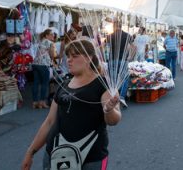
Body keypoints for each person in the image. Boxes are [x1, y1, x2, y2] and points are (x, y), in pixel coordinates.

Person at [21, 39, 121, 170]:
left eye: (75, 56)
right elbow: (49, 122)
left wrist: (108, 110)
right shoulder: (64, 85)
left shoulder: (103, 84)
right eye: (68, 56)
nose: (69, 60)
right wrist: (31, 152)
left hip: (89, 158)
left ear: (89, 58)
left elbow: (113, 120)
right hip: (56, 156)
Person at [106, 19, 134, 108]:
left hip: (112, 60)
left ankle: (114, 97)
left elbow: (103, 46)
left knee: (113, 80)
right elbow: (134, 47)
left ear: (114, 26)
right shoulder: (127, 35)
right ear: (121, 26)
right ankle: (121, 97)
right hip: (123, 60)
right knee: (124, 78)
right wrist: (130, 57)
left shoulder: (110, 36)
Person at [32, 29, 56, 109]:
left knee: (36, 82)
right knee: (44, 83)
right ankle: (42, 102)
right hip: (44, 64)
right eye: (51, 34)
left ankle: (35, 102)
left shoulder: (40, 41)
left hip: (35, 63)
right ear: (46, 35)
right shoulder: (50, 43)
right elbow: (52, 55)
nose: (53, 36)